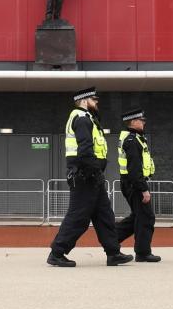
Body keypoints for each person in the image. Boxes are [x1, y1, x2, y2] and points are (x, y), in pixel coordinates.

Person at [47, 87, 132, 268]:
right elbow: (85, 149)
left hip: (92, 177)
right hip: (85, 176)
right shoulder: (82, 119)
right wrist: (94, 171)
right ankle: (57, 253)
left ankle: (113, 253)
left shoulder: (89, 120)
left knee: (105, 216)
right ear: (85, 101)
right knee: (78, 217)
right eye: (94, 100)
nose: (97, 103)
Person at [114, 109, 160, 263]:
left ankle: (111, 238)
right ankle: (142, 252)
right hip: (134, 184)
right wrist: (143, 189)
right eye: (142, 120)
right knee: (146, 217)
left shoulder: (136, 138)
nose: (144, 122)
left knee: (138, 217)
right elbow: (134, 169)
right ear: (133, 122)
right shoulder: (132, 141)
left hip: (132, 183)